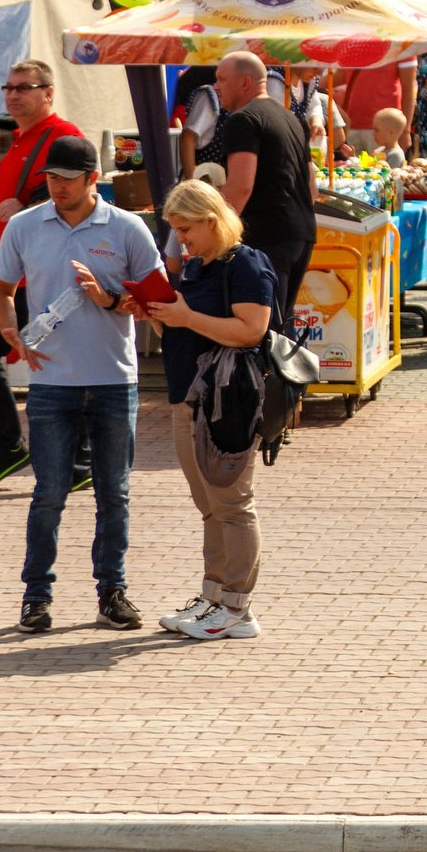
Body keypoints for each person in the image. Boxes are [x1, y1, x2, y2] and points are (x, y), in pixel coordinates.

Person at [0, 135, 161, 633]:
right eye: (50, 178)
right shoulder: (24, 226)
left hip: (113, 379)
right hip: (52, 384)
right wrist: (10, 334)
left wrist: (109, 300)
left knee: (115, 493)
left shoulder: (128, 228)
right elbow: (1, 291)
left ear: (93, 179)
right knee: (48, 494)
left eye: (67, 179)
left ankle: (113, 592)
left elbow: (154, 303)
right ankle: (36, 596)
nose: (56, 187)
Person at [128, 179, 276, 641]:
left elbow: (251, 331)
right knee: (210, 505)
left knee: (232, 503)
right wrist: (156, 313)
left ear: (212, 220)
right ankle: (215, 596)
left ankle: (237, 605)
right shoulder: (197, 267)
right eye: (176, 230)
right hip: (188, 397)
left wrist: (186, 317)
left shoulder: (246, 264)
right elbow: (190, 329)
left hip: (226, 401)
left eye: (187, 228)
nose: (181, 239)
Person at [0, 58, 82, 485]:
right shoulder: (20, 139)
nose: (14, 95)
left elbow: (78, 185)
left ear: (48, 93)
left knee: (64, 362)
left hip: (44, 272)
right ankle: (11, 449)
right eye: (9, 87)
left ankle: (71, 460)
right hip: (17, 269)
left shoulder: (63, 135)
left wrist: (30, 204)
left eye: (25, 87)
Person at [211, 50, 317, 335]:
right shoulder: (292, 118)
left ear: (245, 82)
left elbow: (241, 186)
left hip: (268, 236)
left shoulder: (242, 120)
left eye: (221, 79)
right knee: (281, 327)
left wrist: (214, 235)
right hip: (300, 233)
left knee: (262, 333)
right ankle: (290, 380)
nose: (215, 87)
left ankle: (274, 381)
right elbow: (312, 186)